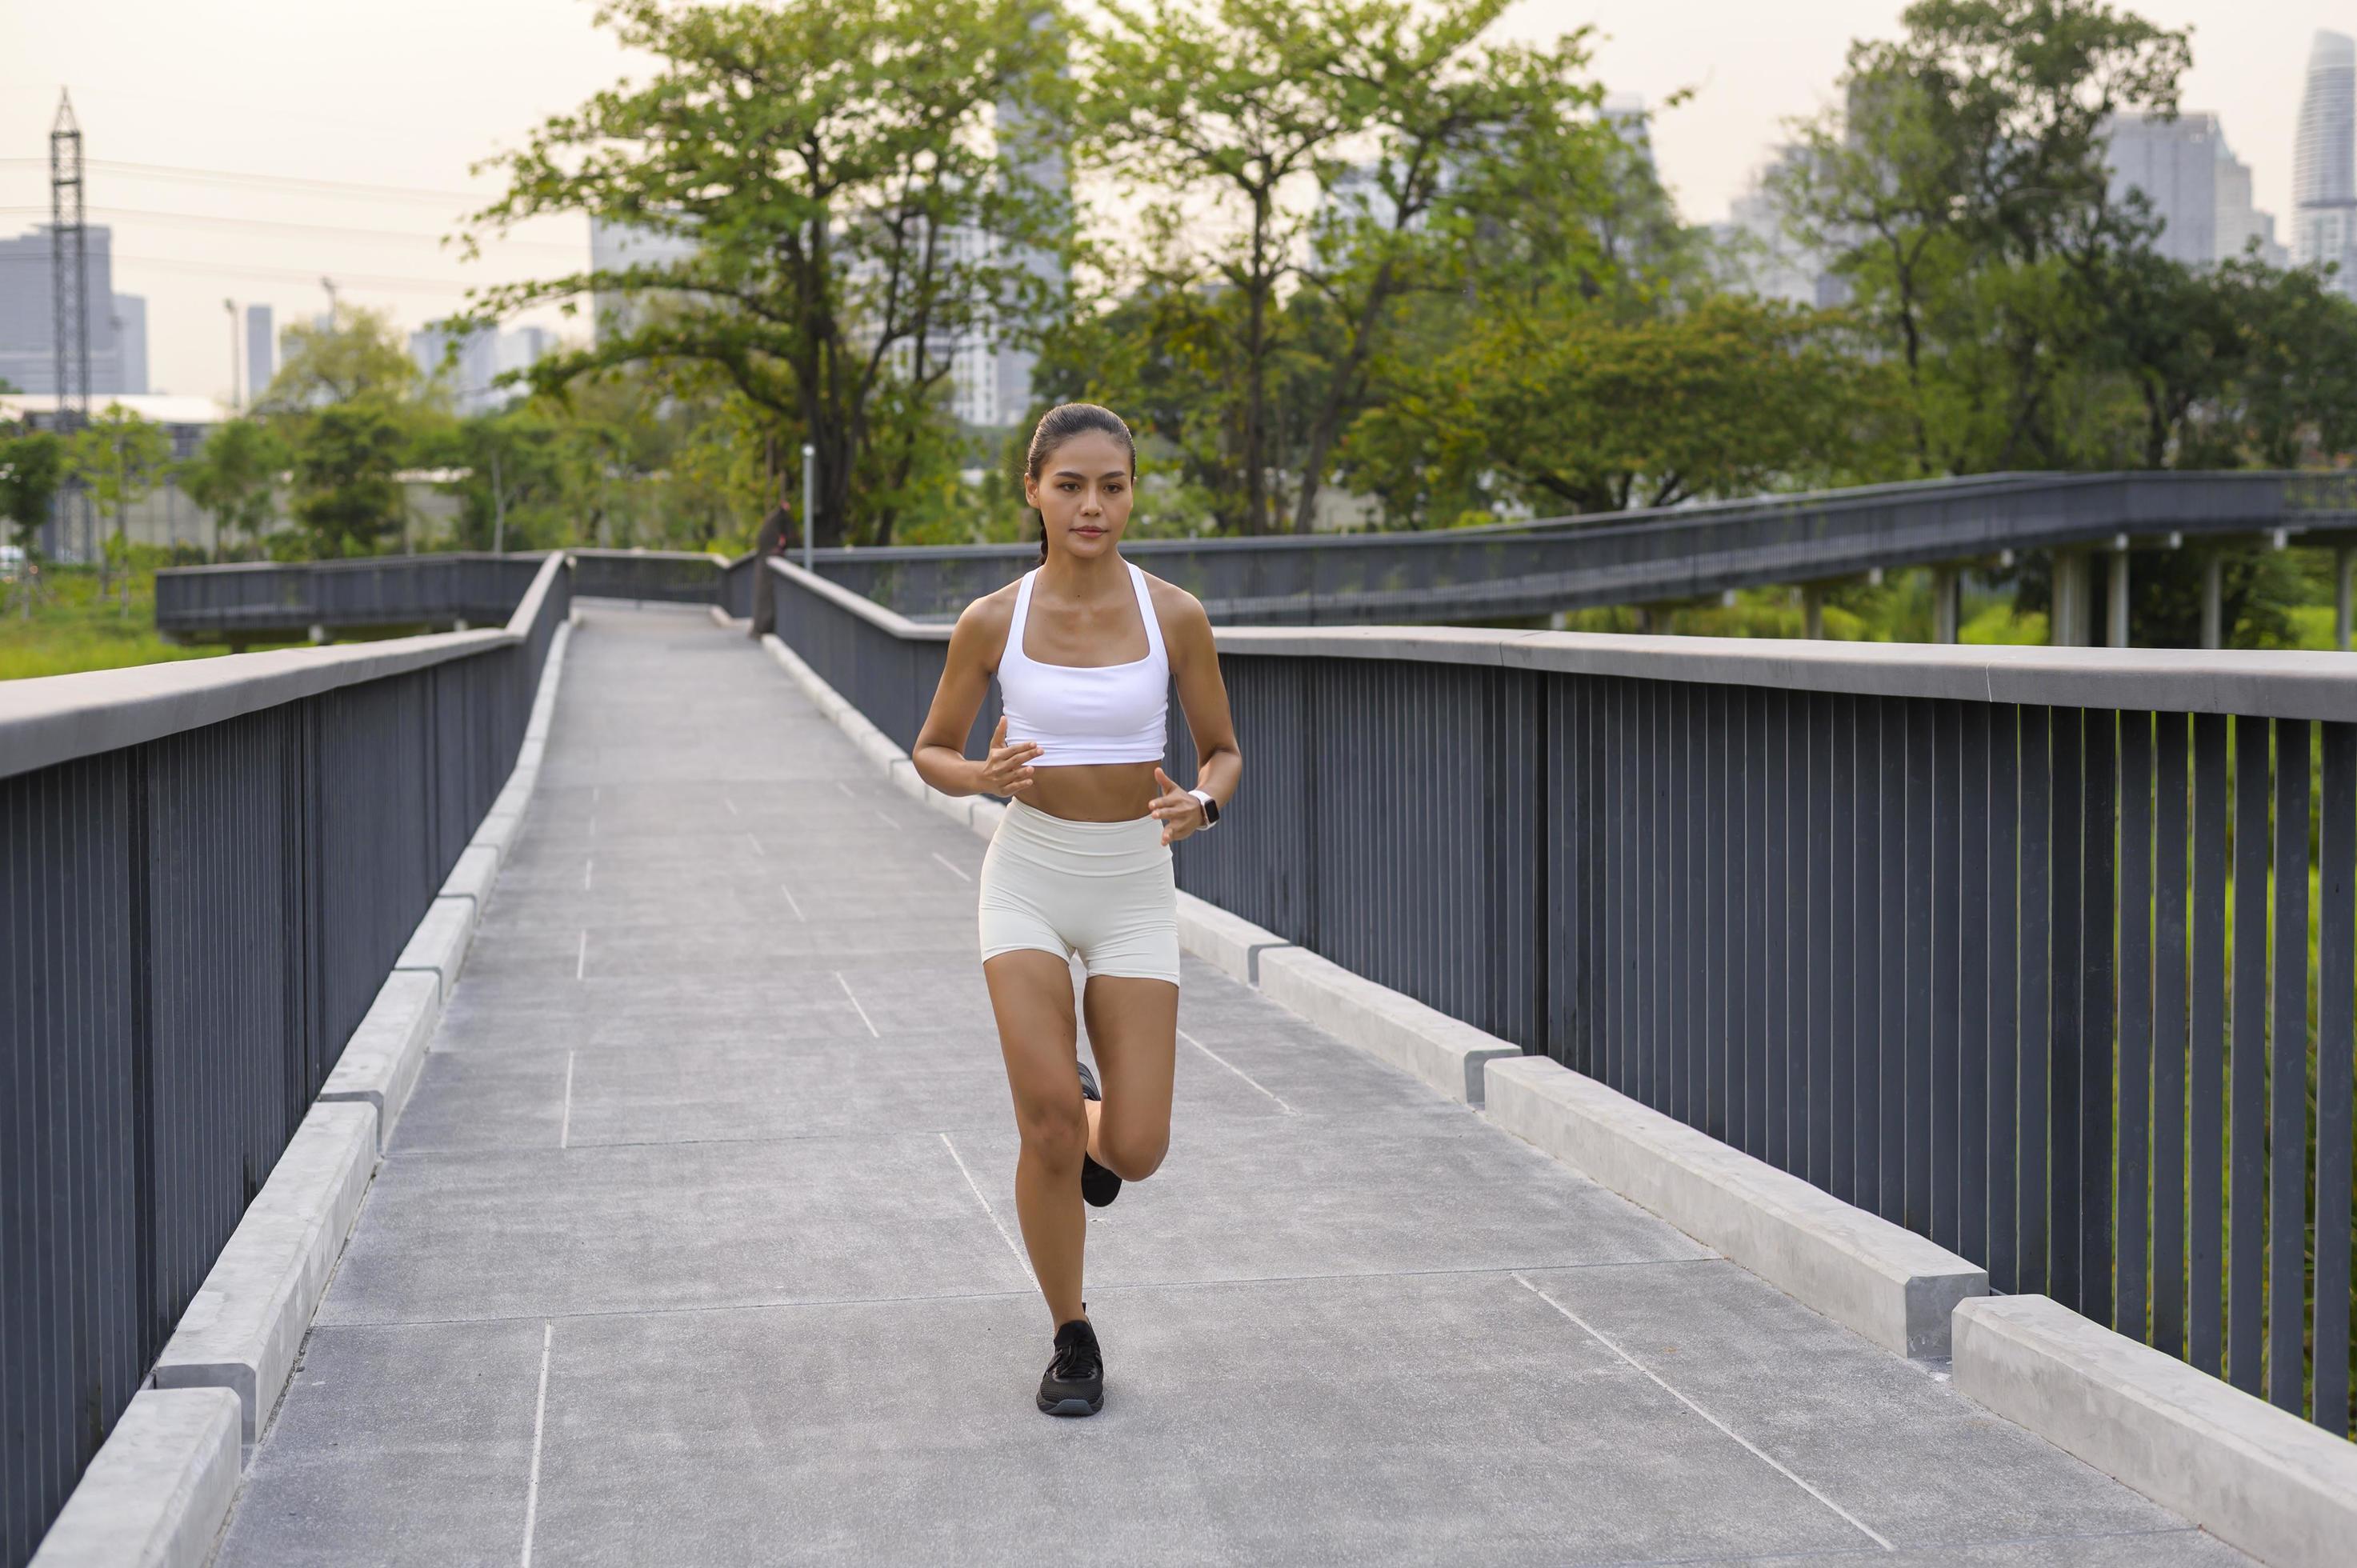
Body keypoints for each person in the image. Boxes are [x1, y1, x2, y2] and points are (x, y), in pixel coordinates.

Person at [910, 402, 1242, 1417]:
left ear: (1133, 490)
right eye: (1071, 486)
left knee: (1132, 1147)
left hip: (1134, 882)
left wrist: (1205, 802)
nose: (1093, 504)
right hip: (1030, 877)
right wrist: (981, 774)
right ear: (1034, 491)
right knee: (1047, 1127)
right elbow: (931, 747)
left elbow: (1222, 748)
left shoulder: (1174, 614)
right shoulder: (993, 621)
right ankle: (1072, 1333)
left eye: (1112, 485)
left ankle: (1096, 1112)